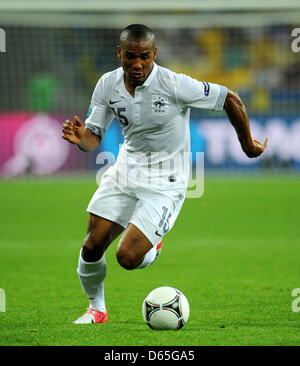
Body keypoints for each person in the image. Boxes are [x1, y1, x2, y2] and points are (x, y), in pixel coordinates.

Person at [62, 24, 267, 324]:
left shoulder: (174, 84)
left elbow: (230, 98)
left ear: (154, 54)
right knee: (92, 245)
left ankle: (153, 245)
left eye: (144, 56)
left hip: (166, 182)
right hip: (125, 170)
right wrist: (83, 139)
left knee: (127, 257)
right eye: (130, 57)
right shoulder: (107, 85)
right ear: (119, 53)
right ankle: (97, 309)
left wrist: (247, 145)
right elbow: (93, 136)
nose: (137, 64)